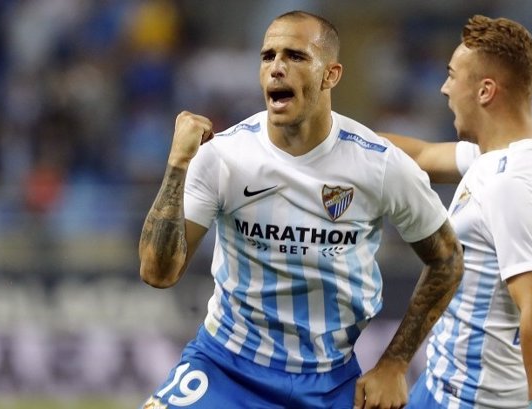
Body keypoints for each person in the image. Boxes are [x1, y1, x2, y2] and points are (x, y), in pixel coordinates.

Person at [138, 10, 464, 409]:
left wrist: (395, 363)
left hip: (329, 381)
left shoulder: (379, 164)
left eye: (295, 56)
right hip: (225, 367)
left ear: (331, 75)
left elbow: (447, 260)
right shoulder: (224, 156)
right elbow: (157, 272)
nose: (276, 68)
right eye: (267, 56)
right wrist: (176, 166)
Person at [381, 14, 532, 409]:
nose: (444, 89)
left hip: (471, 400)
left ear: (484, 91)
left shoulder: (509, 182)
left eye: (451, 75)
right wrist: (328, 138)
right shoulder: (519, 151)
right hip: (441, 384)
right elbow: (423, 155)